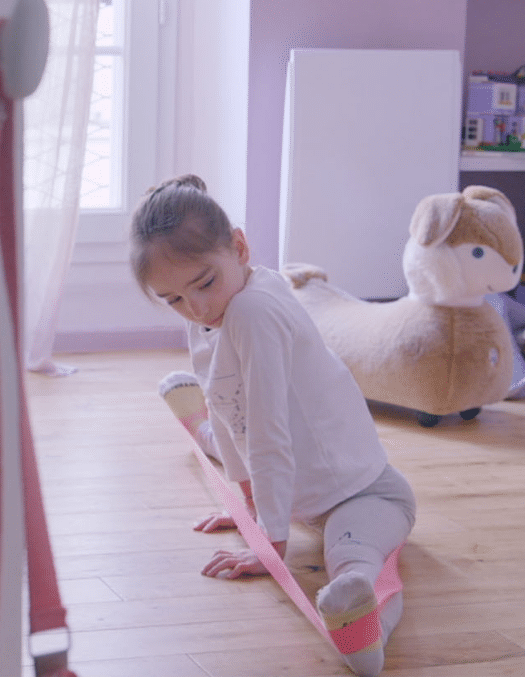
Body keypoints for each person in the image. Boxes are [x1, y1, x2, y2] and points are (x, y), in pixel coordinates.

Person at [130, 174, 416, 677]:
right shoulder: (216, 307)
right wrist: (249, 504)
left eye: (203, 284)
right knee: (225, 422)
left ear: (240, 247)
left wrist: (270, 543)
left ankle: (365, 634)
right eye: (173, 299)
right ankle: (201, 429)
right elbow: (228, 403)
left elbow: (268, 433)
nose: (196, 309)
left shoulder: (254, 311)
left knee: (351, 555)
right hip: (298, 486)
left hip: (365, 494)